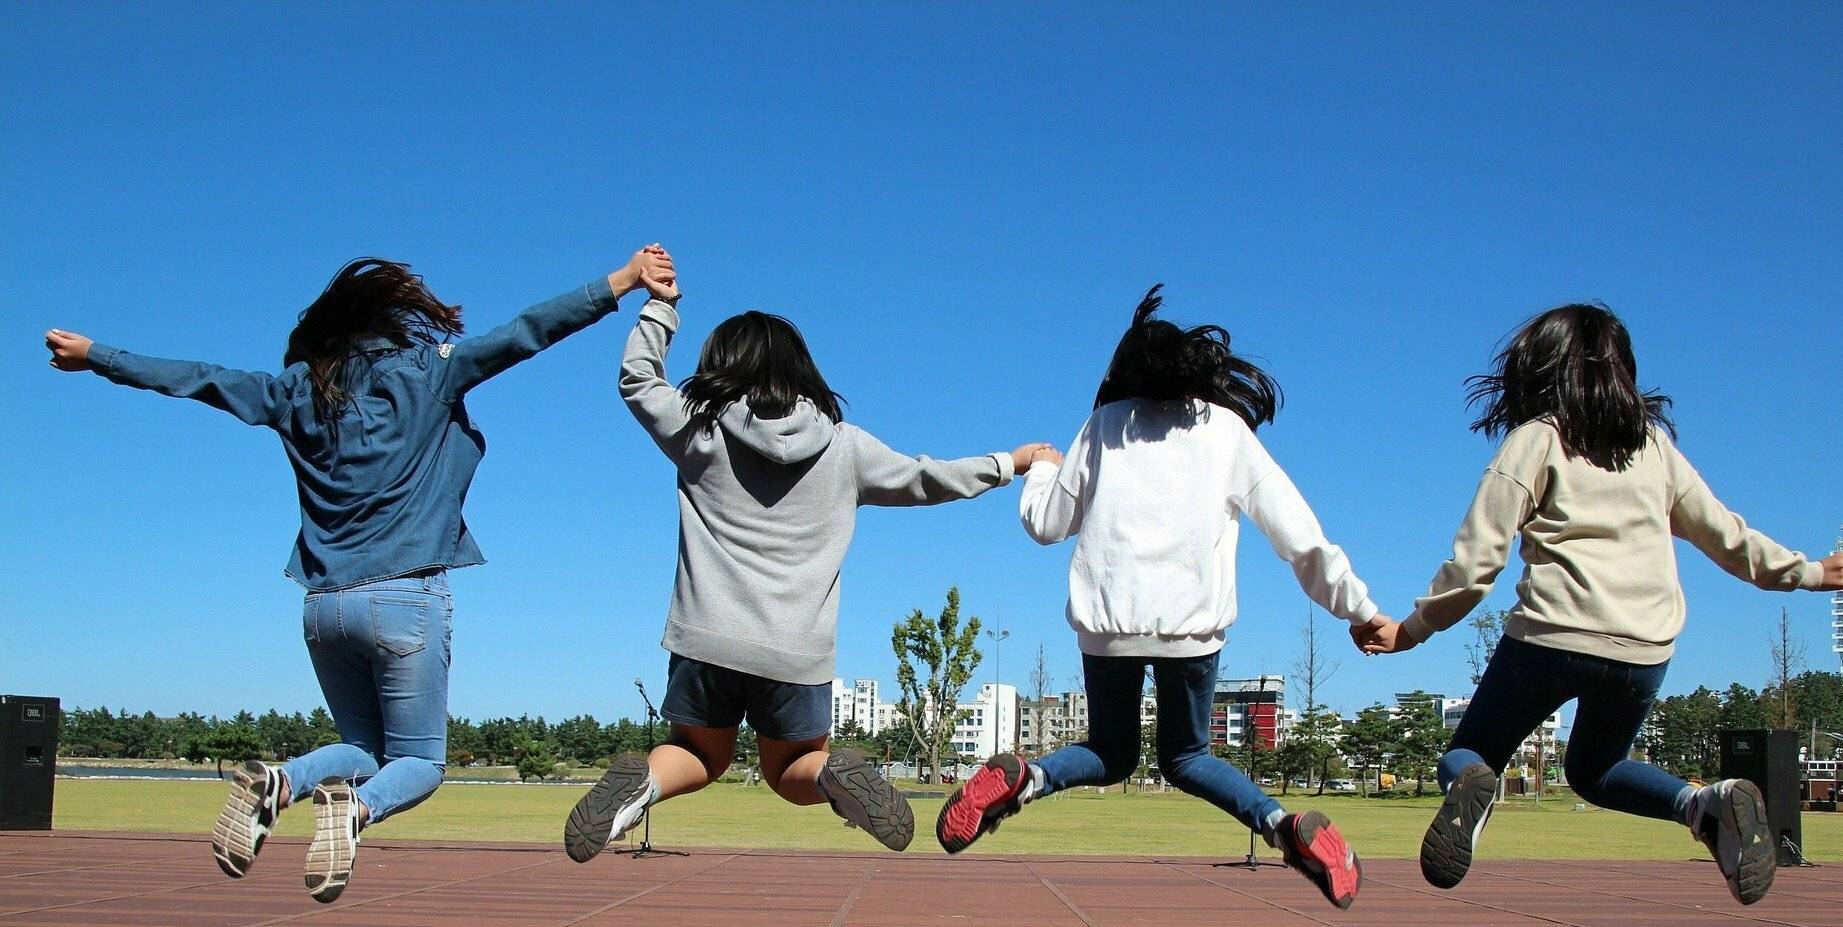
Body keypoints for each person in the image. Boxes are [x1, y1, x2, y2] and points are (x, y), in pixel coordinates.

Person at [44, 247, 665, 902]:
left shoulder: (295, 392)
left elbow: (201, 378)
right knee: (421, 763)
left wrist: (97, 355)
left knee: (363, 749)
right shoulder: (428, 373)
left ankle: (281, 782)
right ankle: (354, 813)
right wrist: (622, 281)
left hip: (322, 607)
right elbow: (529, 330)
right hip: (405, 598)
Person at [1356, 303, 1843, 905]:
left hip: (1550, 637)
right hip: (1642, 649)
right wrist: (1806, 571)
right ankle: (1706, 804)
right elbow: (1726, 536)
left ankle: (1473, 784)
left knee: (1470, 753)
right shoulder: (1653, 448)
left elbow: (1476, 566)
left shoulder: (1535, 440)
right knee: (1595, 770)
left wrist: (1411, 631)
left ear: (1537, 370)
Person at [562, 245, 1052, 862]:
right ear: (802, 371)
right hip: (797, 649)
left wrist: (659, 308)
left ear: (721, 366)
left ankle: (643, 786)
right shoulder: (845, 448)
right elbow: (930, 478)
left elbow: (637, 379)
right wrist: (1011, 463)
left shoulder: (702, 431)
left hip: (704, 638)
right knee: (792, 767)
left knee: (697, 755)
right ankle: (831, 778)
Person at [935, 286, 1382, 910]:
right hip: (1190, 633)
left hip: (1108, 627)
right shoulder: (1226, 432)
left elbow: (1044, 524)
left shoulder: (1103, 426)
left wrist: (1039, 465)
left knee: (1110, 751)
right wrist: (1359, 610)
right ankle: (1284, 827)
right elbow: (1298, 535)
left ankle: (1024, 780)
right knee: (1187, 755)